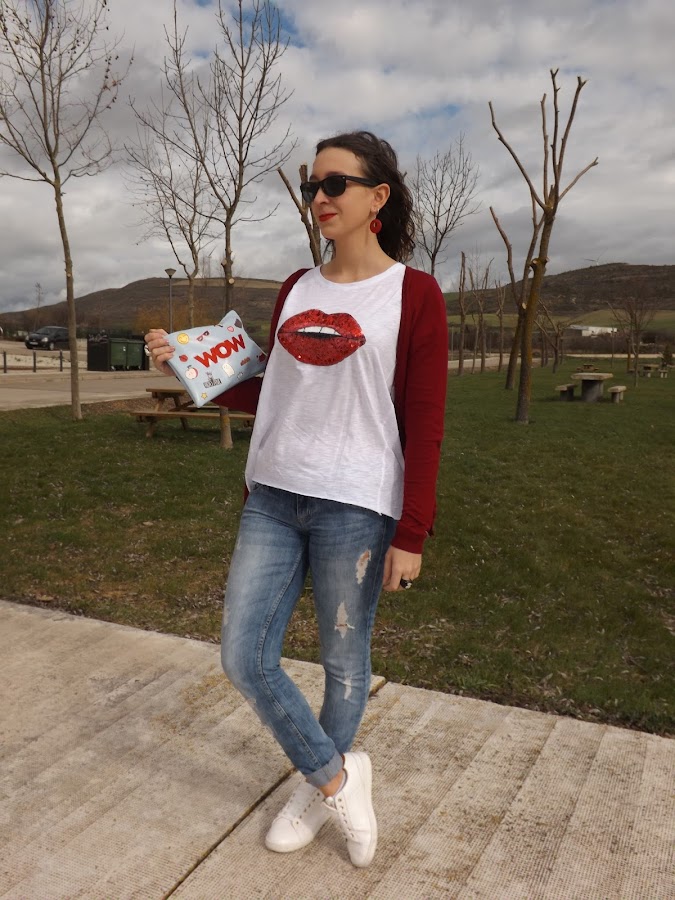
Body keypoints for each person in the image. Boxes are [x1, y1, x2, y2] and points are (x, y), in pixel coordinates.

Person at [145, 130, 448, 868]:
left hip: (357, 504)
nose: (319, 197)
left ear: (378, 197)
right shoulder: (296, 287)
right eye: (313, 186)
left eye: (335, 184)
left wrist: (411, 532)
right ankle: (336, 778)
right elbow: (273, 389)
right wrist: (188, 365)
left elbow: (426, 420)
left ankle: (313, 793)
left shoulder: (413, 294)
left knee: (344, 662)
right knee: (243, 656)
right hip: (274, 496)